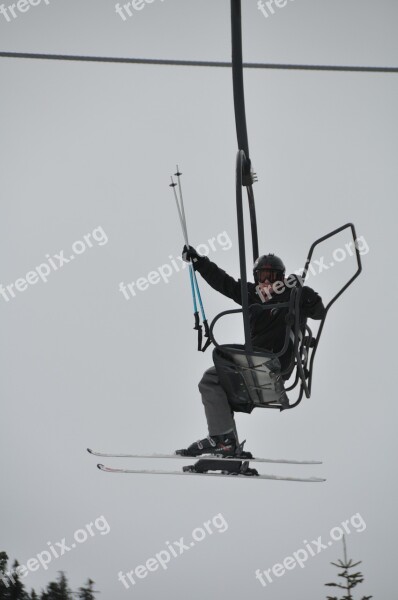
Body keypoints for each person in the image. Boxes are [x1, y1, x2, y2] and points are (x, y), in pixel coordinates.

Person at [176, 246, 326, 458]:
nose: (266, 282)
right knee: (211, 380)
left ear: (281, 278)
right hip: (253, 362)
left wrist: (305, 294)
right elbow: (224, 282)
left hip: (275, 360)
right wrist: (200, 262)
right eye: (261, 276)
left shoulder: (293, 296)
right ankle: (226, 442)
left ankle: (224, 440)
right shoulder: (253, 295)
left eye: (271, 276)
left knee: (218, 364)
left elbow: (319, 312)